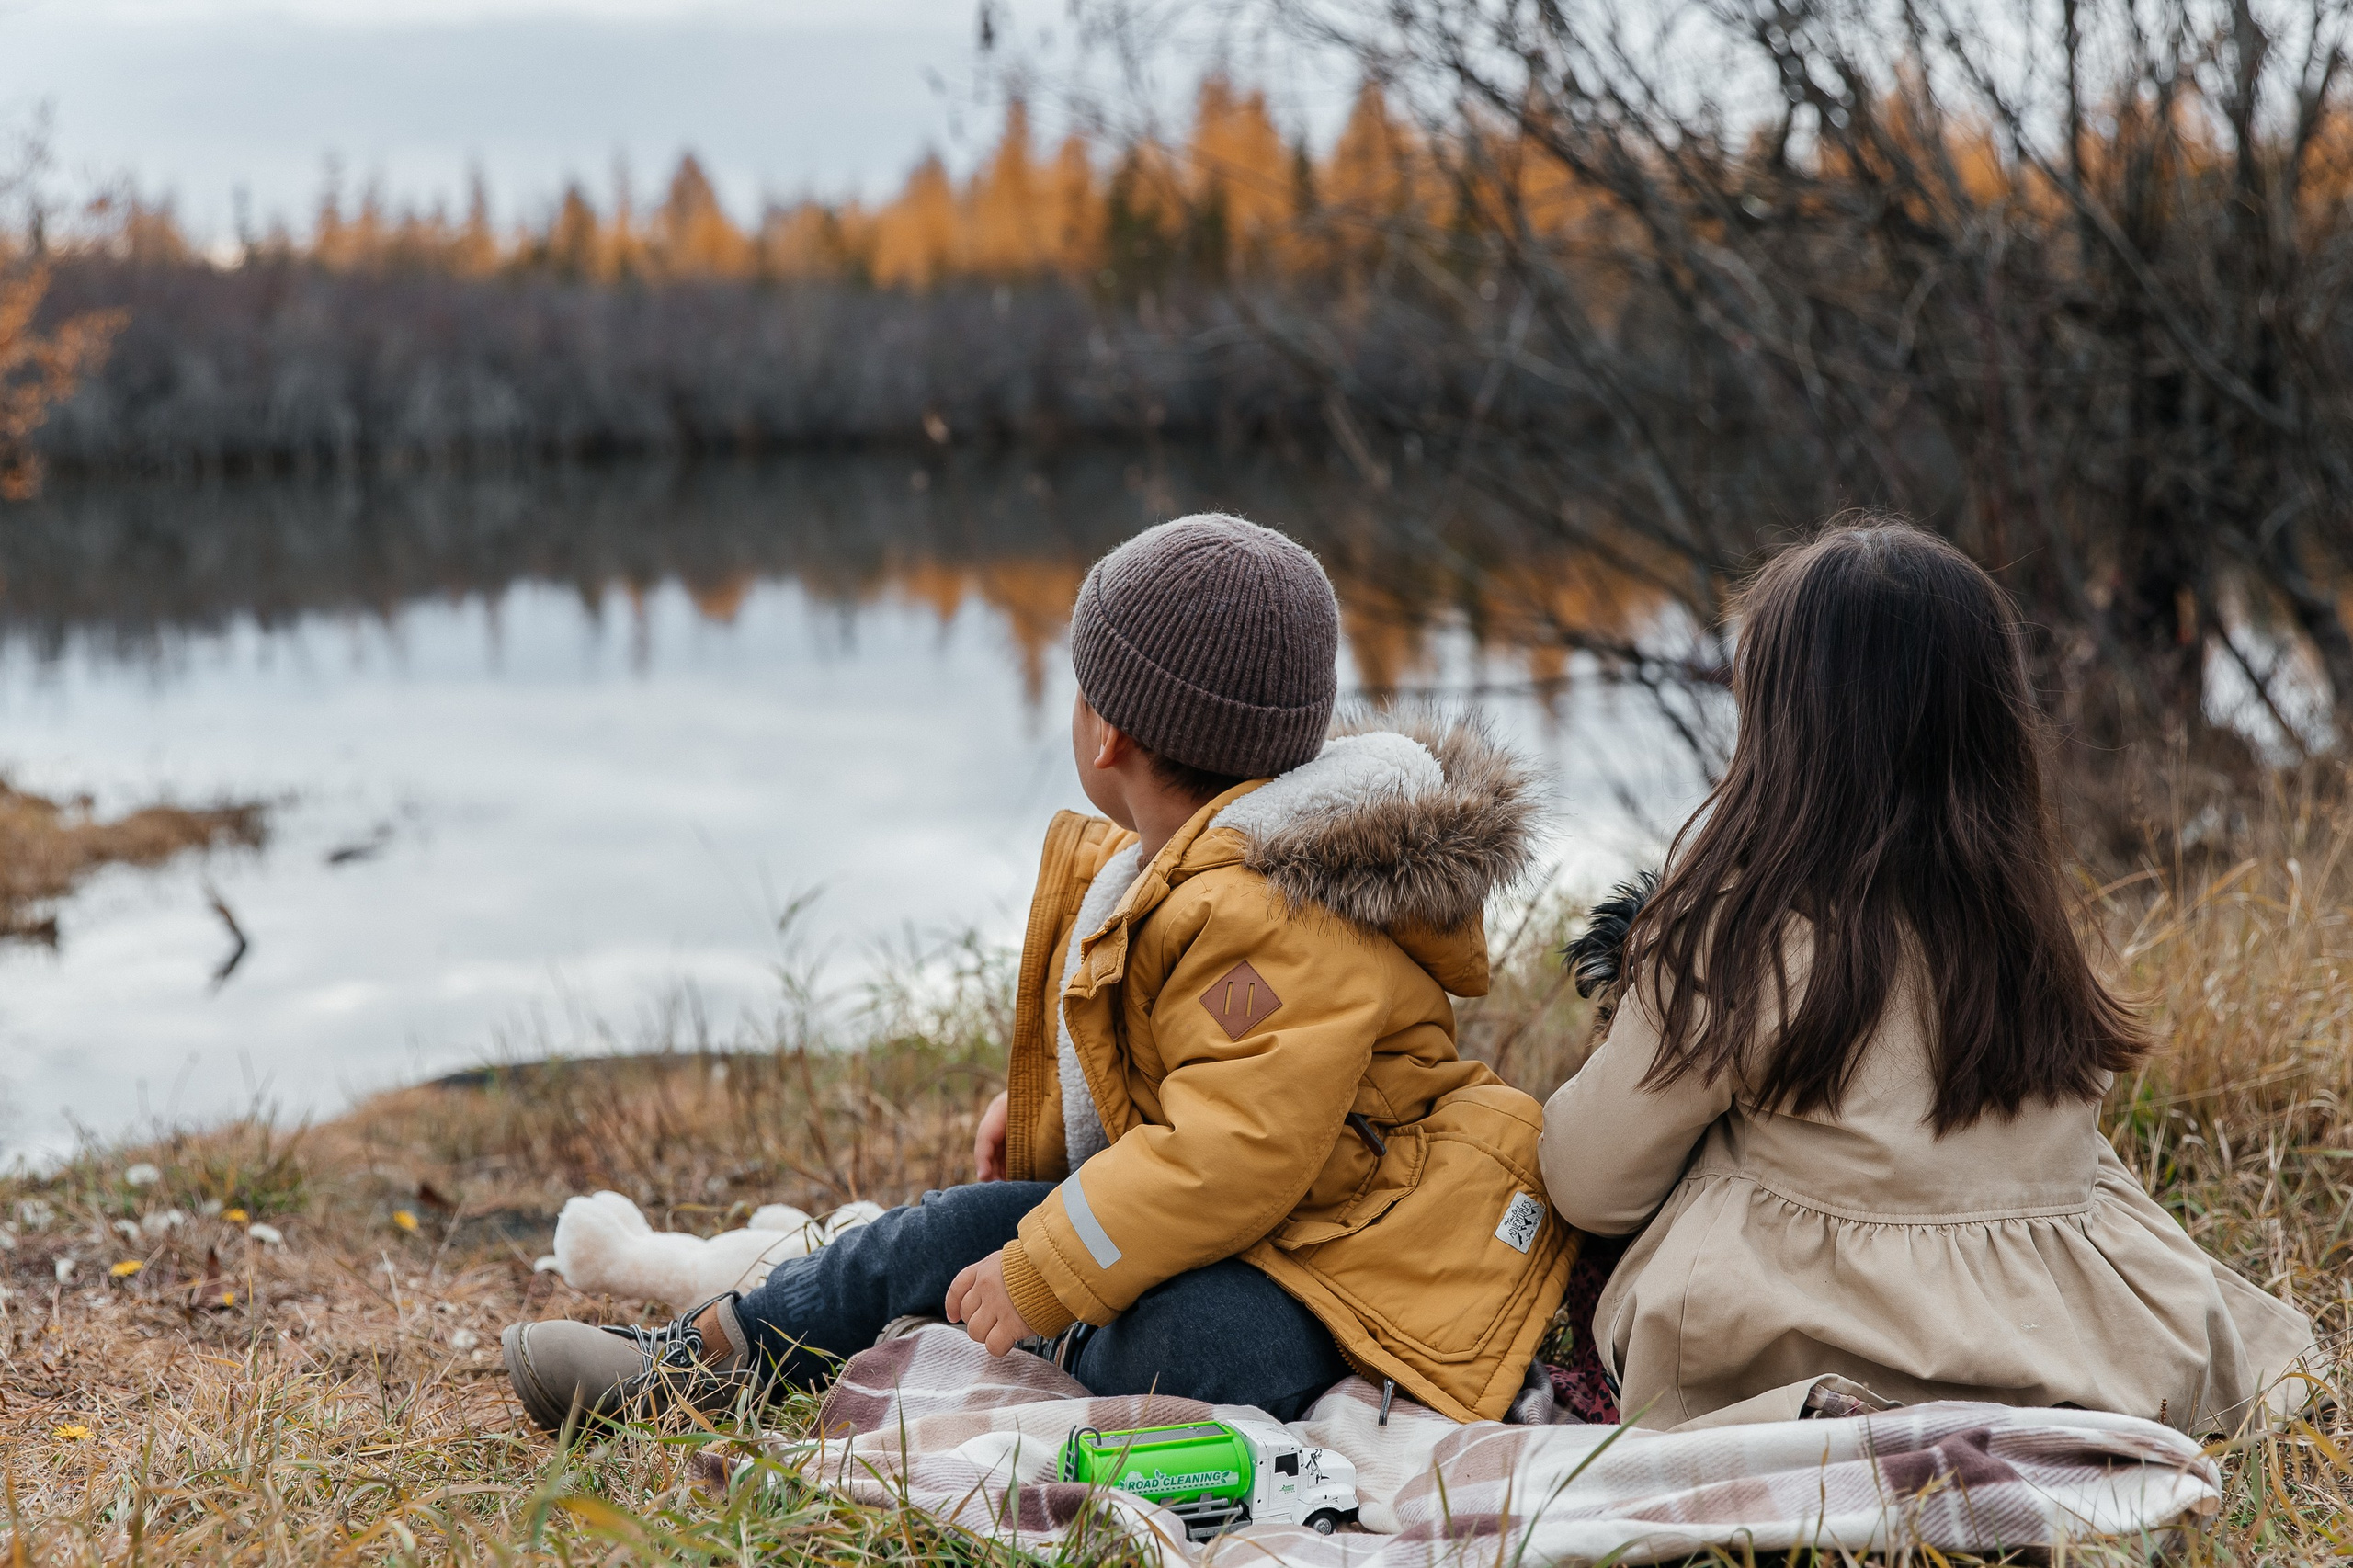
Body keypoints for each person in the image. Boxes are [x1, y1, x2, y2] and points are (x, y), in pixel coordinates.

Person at [504, 513, 1571, 1429]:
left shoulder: (1273, 908)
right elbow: (1199, 1080)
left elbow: (1234, 1148)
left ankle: (980, 1336)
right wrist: (1053, 1141)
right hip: (1265, 1223)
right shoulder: (1191, 864)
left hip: (1351, 1268)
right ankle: (711, 1357)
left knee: (1185, 1348)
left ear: (1106, 731)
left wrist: (1048, 1267)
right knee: (948, 1226)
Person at [1540, 521, 2317, 1433]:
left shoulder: (1730, 939)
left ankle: (1857, 1418)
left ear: (1777, 729)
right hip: (2054, 1340)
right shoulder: (2035, 931)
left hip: (1797, 1337)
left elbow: (1591, 1183)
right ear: (1993, 725)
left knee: (1687, 1150)